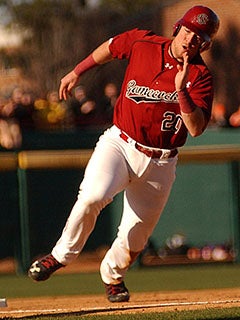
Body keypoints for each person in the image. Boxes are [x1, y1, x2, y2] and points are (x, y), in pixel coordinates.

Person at [28, 5, 220, 303]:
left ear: (205, 44)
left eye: (199, 38)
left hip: (161, 159)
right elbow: (110, 47)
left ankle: (113, 276)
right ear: (178, 28)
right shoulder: (144, 43)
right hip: (121, 142)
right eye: (189, 32)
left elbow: (195, 129)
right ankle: (59, 256)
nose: (191, 41)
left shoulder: (200, 76)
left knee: (137, 235)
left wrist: (182, 91)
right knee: (93, 195)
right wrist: (77, 71)